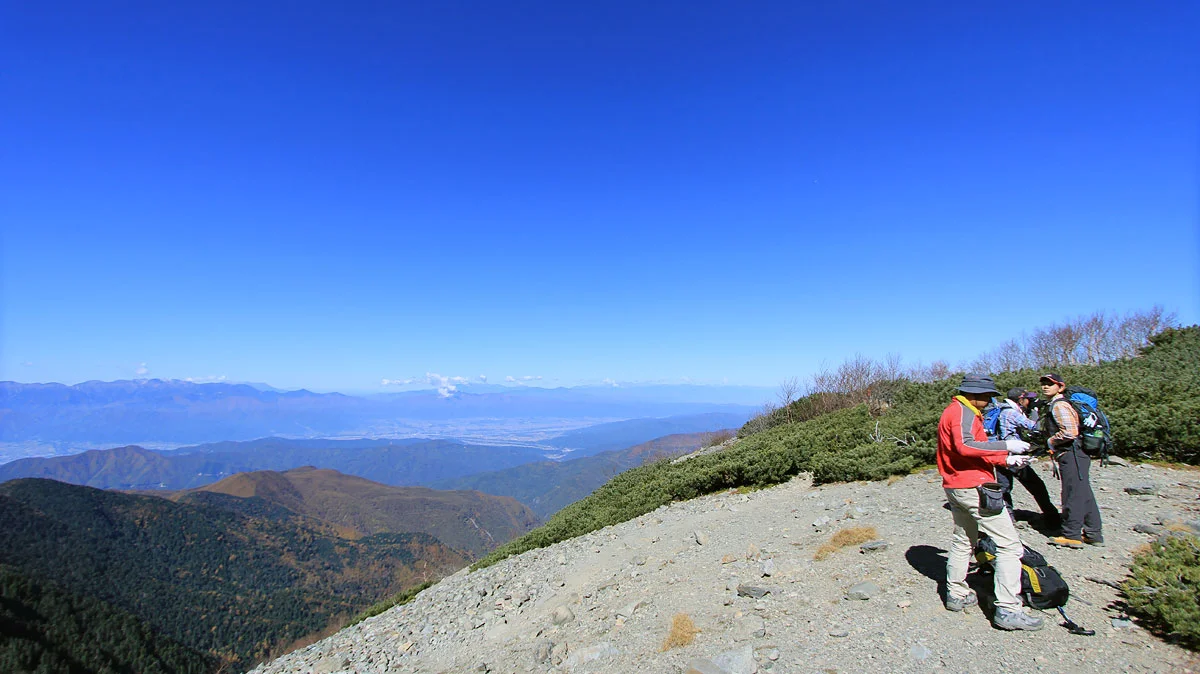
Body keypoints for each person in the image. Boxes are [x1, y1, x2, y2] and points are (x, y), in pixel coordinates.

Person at [937, 373, 1044, 631]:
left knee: (964, 539)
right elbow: (966, 446)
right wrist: (1006, 445)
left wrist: (1005, 460)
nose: (990, 401)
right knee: (1009, 545)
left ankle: (956, 594)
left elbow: (974, 448)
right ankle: (1008, 609)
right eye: (988, 397)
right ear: (978, 394)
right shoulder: (962, 412)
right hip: (974, 486)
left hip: (956, 486)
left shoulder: (958, 411)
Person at [1039, 373, 1104, 548]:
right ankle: (1094, 533)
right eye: (1044, 384)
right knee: (1083, 492)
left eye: (1050, 384)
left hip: (1072, 452)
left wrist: (1050, 441)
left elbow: (1069, 432)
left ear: (1060, 387)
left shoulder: (1059, 405)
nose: (1045, 387)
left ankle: (1072, 534)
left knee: (1072, 493)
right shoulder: (1061, 404)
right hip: (1078, 453)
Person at [993, 388, 1061, 529]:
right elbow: (1035, 427)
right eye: (1028, 399)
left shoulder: (1002, 409)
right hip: (1013, 457)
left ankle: (1008, 520)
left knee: (1005, 488)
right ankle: (1052, 518)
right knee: (1037, 486)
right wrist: (1036, 411)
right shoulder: (1011, 412)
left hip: (1001, 455)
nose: (1029, 401)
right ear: (1020, 399)